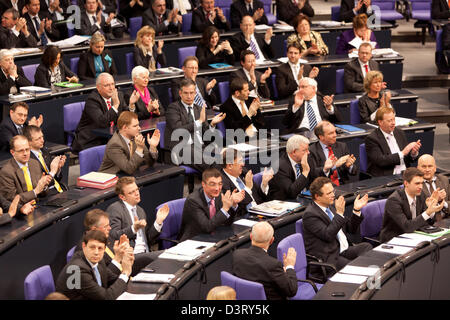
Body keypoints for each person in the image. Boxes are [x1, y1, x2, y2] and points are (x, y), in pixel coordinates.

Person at [303, 177, 372, 277]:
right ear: (317, 196)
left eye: (333, 191)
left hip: (342, 249)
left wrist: (356, 210)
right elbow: (328, 235)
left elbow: (350, 229)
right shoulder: (310, 215)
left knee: (367, 247)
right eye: (329, 193)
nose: (333, 195)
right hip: (329, 257)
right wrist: (339, 214)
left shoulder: (329, 207)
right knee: (354, 268)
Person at [107, 176, 170, 271]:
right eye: (131, 192)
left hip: (146, 253)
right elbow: (114, 235)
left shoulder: (140, 211)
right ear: (122, 197)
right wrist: (133, 228)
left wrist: (158, 222)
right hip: (131, 257)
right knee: (167, 255)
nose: (137, 193)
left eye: (137, 189)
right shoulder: (115, 209)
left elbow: (148, 239)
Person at [165, 78, 226, 172]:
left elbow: (206, 135)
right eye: (186, 93)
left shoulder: (199, 109)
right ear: (180, 93)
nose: (189, 96)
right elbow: (178, 130)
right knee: (212, 163)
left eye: (192, 93)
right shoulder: (173, 108)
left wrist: (212, 124)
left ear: (195, 93)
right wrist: (199, 122)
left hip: (201, 147)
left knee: (228, 157)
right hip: (182, 147)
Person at [55, 230, 134, 300]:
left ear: (104, 249)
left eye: (100, 248)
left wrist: (127, 274)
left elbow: (112, 279)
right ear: (84, 246)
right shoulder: (77, 270)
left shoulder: (98, 260)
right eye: (92, 247)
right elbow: (106, 297)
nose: (96, 252)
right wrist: (125, 273)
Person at [232, 221, 298, 300]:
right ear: (271, 240)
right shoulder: (273, 265)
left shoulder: (237, 255)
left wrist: (281, 273)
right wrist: (289, 267)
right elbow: (291, 291)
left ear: (251, 236)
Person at [178, 168, 245, 241]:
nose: (217, 188)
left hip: (214, 236)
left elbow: (227, 223)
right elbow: (207, 227)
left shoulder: (219, 195)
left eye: (220, 184)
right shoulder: (193, 201)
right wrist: (225, 208)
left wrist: (233, 204)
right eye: (213, 184)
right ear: (203, 184)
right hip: (194, 240)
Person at [380, 168, 445, 243]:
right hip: (394, 240)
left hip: (414, 235)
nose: (420, 186)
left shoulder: (421, 195)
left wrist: (431, 210)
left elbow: (426, 222)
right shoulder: (394, 201)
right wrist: (428, 212)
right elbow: (407, 227)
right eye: (417, 183)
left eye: (421, 183)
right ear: (406, 183)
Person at [71, 73, 131, 153]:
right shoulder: (92, 100)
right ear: (98, 88)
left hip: (110, 137)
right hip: (92, 139)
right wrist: (115, 105)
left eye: (112, 84)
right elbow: (102, 122)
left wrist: (132, 106)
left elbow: (126, 116)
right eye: (107, 85)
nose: (111, 88)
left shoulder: (119, 95)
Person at [365, 106, 422, 177]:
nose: (393, 123)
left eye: (394, 119)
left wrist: (413, 154)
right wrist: (403, 153)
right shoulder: (372, 138)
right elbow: (381, 161)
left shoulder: (399, 132)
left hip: (405, 174)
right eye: (389, 121)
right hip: (387, 175)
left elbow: (408, 159)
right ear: (380, 122)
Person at [0, 135, 53, 203]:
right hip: (21, 210)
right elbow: (12, 199)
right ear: (12, 152)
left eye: (27, 149)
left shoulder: (34, 164)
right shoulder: (6, 172)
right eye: (21, 151)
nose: (25, 153)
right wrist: (35, 191)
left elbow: (43, 193)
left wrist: (44, 186)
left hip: (39, 205)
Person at [220, 148, 272, 217]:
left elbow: (259, 196)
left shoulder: (243, 172)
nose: (243, 164)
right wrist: (247, 188)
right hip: (246, 217)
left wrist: (264, 184)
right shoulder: (222, 183)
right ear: (230, 165)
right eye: (240, 161)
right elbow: (239, 210)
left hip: (261, 211)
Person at [268, 134, 321, 200]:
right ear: (294, 152)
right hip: (285, 202)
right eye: (304, 150)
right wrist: (305, 172)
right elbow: (291, 193)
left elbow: (315, 178)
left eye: (308, 149)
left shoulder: (307, 159)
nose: (308, 152)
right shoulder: (279, 166)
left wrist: (325, 169)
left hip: (304, 198)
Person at [309, 121, 357, 186]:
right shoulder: (311, 150)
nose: (335, 135)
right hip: (323, 187)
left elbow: (354, 172)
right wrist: (333, 166)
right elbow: (313, 174)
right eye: (331, 133)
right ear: (321, 137)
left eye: (335, 131)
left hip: (342, 184)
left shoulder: (342, 146)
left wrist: (349, 166)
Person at [23, 125, 66, 192]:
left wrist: (58, 169)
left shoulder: (45, 151)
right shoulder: (28, 160)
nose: (42, 140)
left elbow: (57, 179)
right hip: (45, 194)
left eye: (42, 137)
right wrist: (53, 171)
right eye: (38, 139)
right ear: (29, 142)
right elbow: (39, 186)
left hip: (58, 189)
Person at [417, 154, 449, 219]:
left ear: (435, 168)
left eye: (430, 166)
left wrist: (443, 203)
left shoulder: (444, 180)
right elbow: (416, 210)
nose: (427, 169)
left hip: (446, 220)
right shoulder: (415, 184)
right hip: (426, 223)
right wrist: (435, 200)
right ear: (418, 168)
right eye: (424, 166)